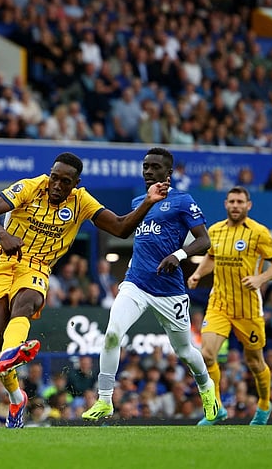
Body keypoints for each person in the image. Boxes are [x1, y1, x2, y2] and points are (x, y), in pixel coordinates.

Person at [0, 151, 170, 428]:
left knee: (26, 303)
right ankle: (16, 397)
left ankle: (12, 351)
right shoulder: (30, 186)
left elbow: (120, 228)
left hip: (37, 267)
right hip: (0, 261)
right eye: (54, 178)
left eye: (65, 182)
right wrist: (4, 235)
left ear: (75, 183)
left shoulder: (81, 201)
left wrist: (149, 201)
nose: (56, 185)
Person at [82, 147, 220, 423]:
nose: (147, 171)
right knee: (111, 334)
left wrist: (178, 255)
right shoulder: (138, 201)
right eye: (145, 166)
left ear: (168, 173)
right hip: (135, 283)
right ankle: (105, 400)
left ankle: (207, 387)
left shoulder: (182, 201)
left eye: (154, 167)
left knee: (184, 351)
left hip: (170, 290)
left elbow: (205, 241)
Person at [186, 186, 272, 426]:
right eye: (232, 201)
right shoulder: (215, 230)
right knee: (207, 354)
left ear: (248, 205)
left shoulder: (259, 232)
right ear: (225, 204)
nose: (235, 205)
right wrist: (199, 273)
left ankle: (263, 404)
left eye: (240, 201)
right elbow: (211, 257)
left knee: (254, 362)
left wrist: (260, 279)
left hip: (248, 308)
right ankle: (216, 408)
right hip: (219, 303)